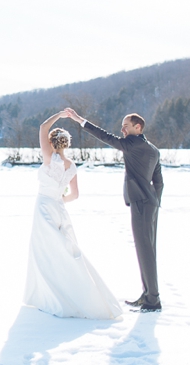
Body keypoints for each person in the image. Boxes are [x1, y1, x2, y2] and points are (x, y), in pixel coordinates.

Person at [23, 110, 122, 320]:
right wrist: (60, 200)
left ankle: (49, 295)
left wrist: (59, 114)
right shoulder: (72, 166)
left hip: (44, 208)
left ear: (51, 143)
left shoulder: (49, 158)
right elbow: (75, 195)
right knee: (64, 252)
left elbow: (42, 127)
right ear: (66, 144)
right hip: (59, 209)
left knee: (44, 252)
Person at [64, 108, 164, 312]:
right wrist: (154, 201)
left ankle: (153, 300)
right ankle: (148, 295)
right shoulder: (153, 149)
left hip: (141, 203)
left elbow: (105, 137)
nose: (122, 130)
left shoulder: (132, 144)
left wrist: (80, 120)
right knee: (147, 249)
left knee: (145, 251)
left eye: (126, 126)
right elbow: (159, 182)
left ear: (138, 127)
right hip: (149, 203)